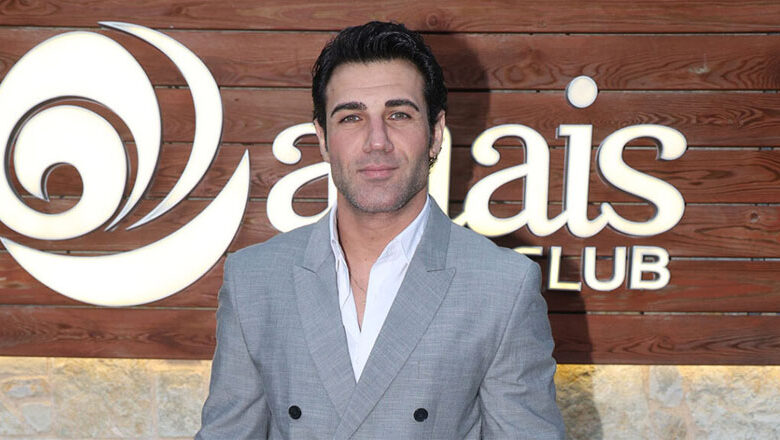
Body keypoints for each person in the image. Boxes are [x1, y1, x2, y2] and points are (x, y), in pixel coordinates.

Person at [197, 21, 565, 439]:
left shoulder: (502, 287)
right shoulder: (254, 280)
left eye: (399, 114)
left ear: (435, 133)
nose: (377, 141)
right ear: (323, 138)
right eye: (351, 117)